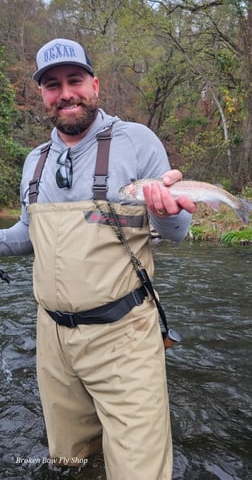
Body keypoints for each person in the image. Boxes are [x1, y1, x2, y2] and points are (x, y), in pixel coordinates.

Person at [0, 38, 196, 480]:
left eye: (75, 80)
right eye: (53, 85)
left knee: (139, 471)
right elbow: (26, 238)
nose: (65, 92)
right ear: (43, 96)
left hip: (124, 335)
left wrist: (166, 212)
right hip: (52, 339)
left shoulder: (137, 141)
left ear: (95, 85)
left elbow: (177, 233)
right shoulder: (34, 162)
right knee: (72, 462)